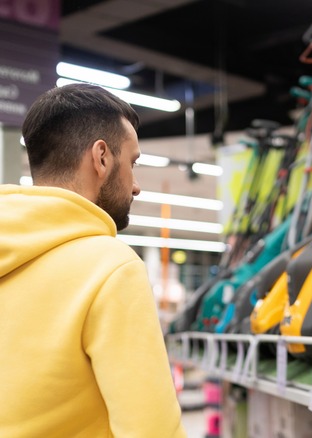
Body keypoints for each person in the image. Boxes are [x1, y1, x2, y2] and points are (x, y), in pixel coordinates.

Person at [0, 83, 185, 437]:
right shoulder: (110, 266)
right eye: (132, 162)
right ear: (101, 157)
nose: (135, 186)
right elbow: (152, 430)